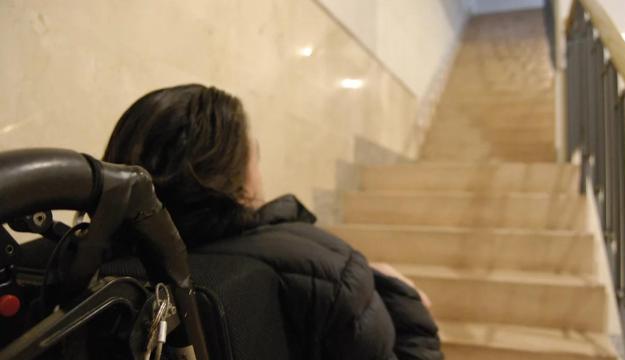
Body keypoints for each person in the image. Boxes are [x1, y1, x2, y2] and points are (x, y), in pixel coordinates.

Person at [103, 84, 443, 360]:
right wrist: (411, 309)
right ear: (235, 177)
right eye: (255, 155)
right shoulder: (328, 269)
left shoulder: (90, 264)